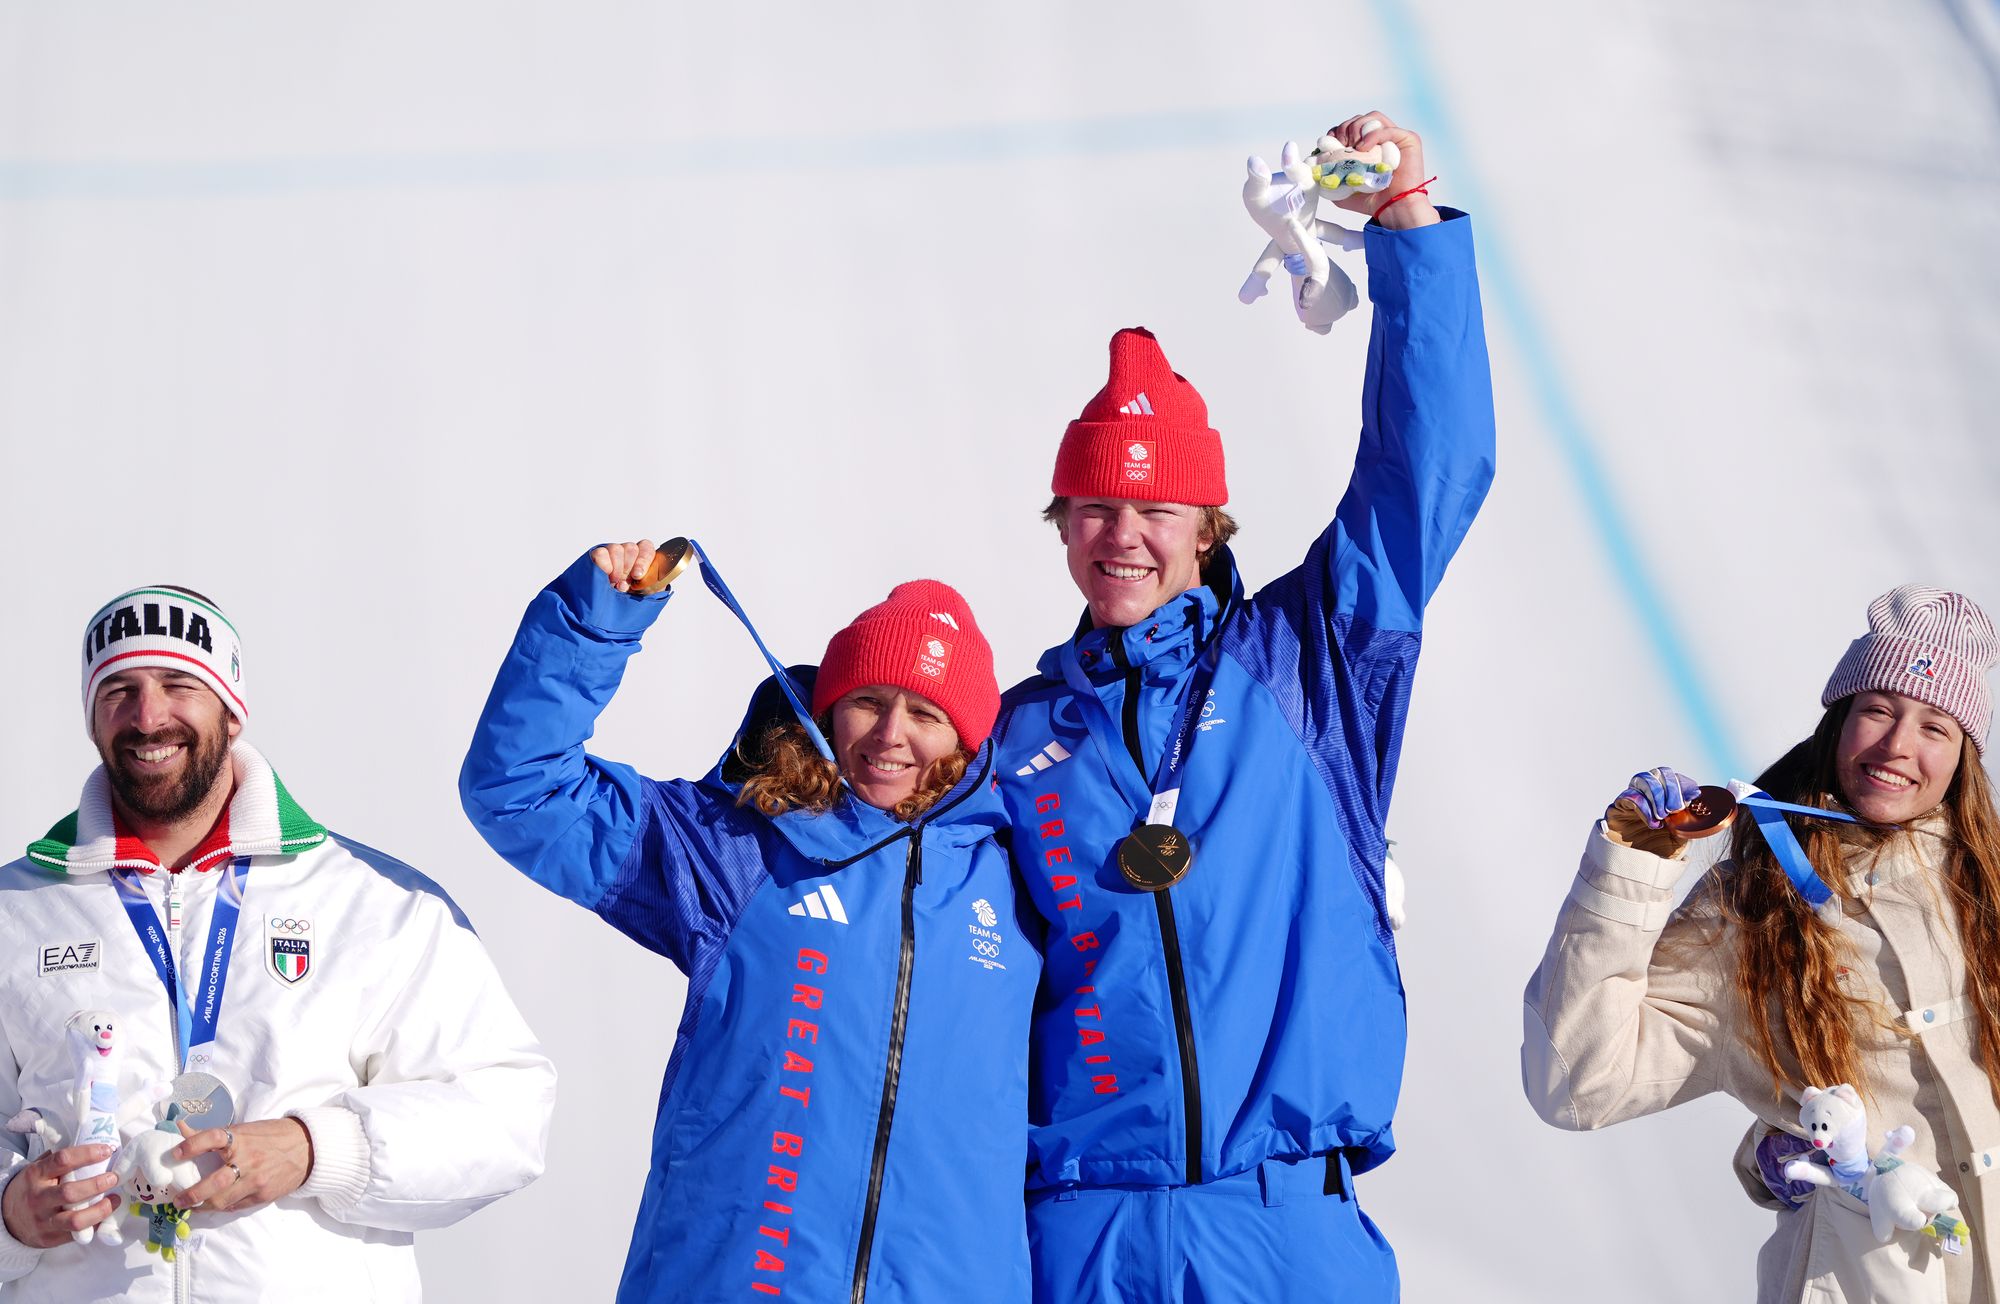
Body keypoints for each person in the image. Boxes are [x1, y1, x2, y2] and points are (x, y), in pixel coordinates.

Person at [987, 111, 1495, 1301]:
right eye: (1095, 509)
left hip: (1280, 1219)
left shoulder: (1303, 664)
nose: (1124, 537)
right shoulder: (1012, 738)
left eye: (1155, 511)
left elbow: (1427, 467)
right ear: (1062, 526)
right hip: (1077, 1229)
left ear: (1207, 527)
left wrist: (1408, 228)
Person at [459, 542, 1039, 1303]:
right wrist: (594, 623)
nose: (891, 733)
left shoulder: (1023, 873)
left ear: (967, 741)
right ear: (828, 707)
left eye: (926, 712)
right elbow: (520, 792)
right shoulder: (736, 849)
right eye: (868, 700)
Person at [0, 584, 555, 1302]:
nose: (148, 716)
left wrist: (316, 1150)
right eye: (118, 691)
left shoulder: (375, 902)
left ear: (232, 710)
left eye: (178, 684)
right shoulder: (19, 912)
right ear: (92, 718)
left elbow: (506, 1113)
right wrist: (9, 1213)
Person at [1524, 584, 2000, 1303]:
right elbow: (1577, 1081)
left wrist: (1778, 1148)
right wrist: (1630, 870)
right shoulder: (1753, 909)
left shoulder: (1985, 891)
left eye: (1935, 726)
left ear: (1964, 756)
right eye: (1878, 710)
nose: (1898, 746)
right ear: (1837, 722)